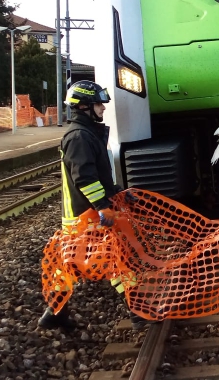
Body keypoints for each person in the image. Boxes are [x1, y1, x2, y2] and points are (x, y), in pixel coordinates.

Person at [38, 80, 144, 332]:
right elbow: (84, 178)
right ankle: (138, 311)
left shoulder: (85, 134)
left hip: (83, 214)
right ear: (84, 106)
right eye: (98, 104)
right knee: (116, 261)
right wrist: (102, 206)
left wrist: (118, 193)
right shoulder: (79, 137)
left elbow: (98, 176)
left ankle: (54, 313)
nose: (103, 108)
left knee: (69, 266)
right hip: (86, 216)